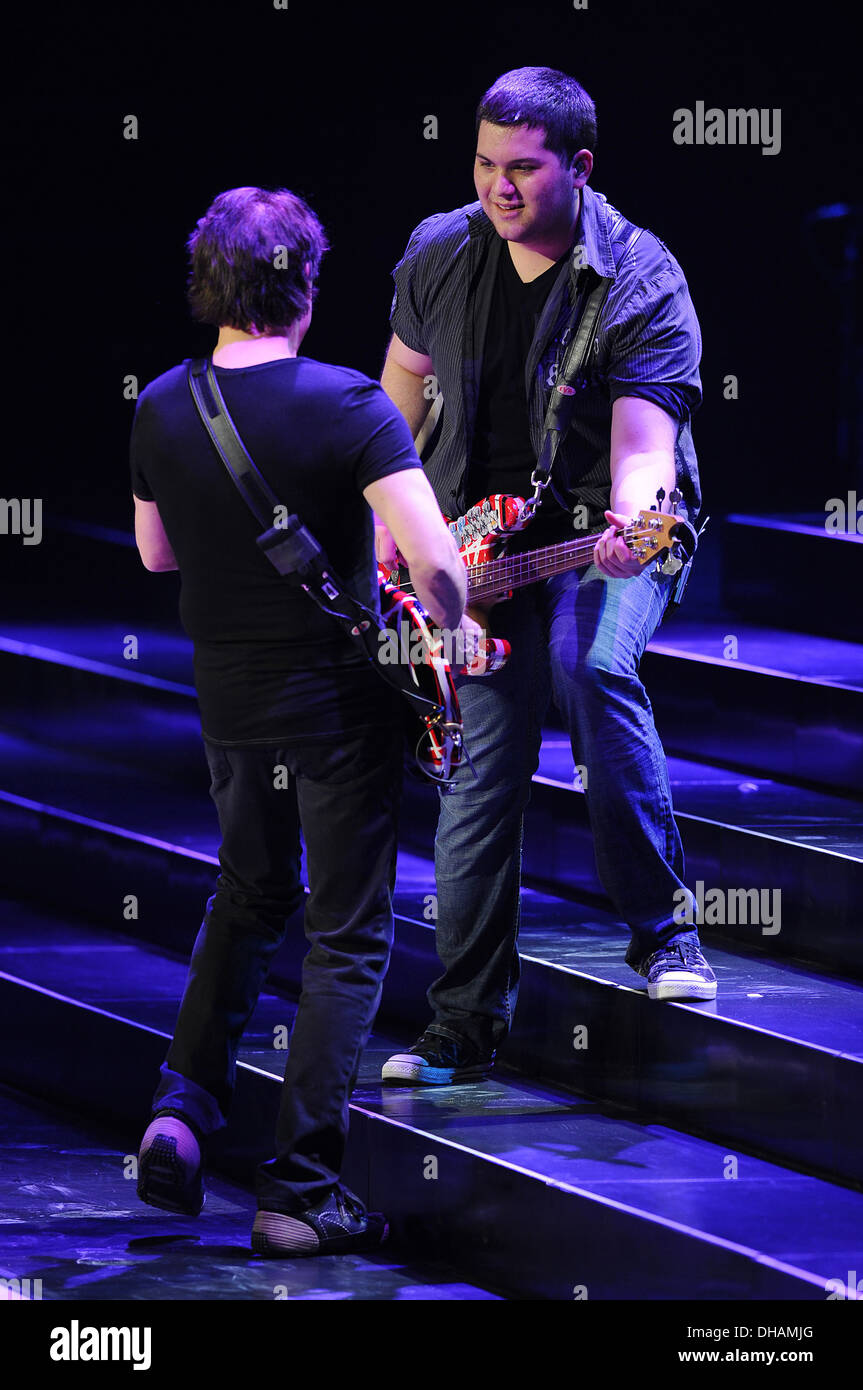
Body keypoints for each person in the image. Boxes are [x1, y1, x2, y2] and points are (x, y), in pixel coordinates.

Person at [129, 186, 470, 1254]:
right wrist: (442, 643)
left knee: (246, 894)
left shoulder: (160, 405)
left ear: (208, 286)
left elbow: (154, 555)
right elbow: (437, 564)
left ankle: (180, 1111)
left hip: (228, 705)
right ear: (306, 289)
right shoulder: (350, 405)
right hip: (335, 708)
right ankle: (299, 1191)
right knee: (346, 934)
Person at [377, 66, 717, 1089]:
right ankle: (461, 1023)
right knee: (479, 770)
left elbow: (644, 458)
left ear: (578, 166)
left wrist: (627, 523)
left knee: (596, 668)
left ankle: (666, 936)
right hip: (467, 551)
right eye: (484, 164)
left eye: (522, 168)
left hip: (593, 541)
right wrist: (393, 538)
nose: (499, 187)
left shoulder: (641, 279)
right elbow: (396, 397)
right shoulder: (440, 248)